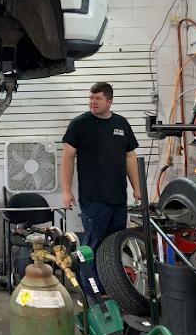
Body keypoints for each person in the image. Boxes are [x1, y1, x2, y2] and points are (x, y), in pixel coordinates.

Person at [61, 82, 142, 254]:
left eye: (98, 98)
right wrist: (66, 191)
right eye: (91, 98)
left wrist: (137, 188)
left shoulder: (121, 123)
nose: (93, 102)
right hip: (93, 200)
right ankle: (88, 273)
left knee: (115, 247)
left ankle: (109, 273)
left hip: (118, 199)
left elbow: (130, 156)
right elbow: (67, 158)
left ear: (110, 102)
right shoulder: (79, 124)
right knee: (93, 246)